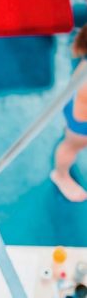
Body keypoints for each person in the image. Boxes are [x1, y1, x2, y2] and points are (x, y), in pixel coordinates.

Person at [50, 25, 87, 202]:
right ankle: (60, 175)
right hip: (81, 120)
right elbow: (81, 116)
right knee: (72, 144)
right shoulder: (85, 85)